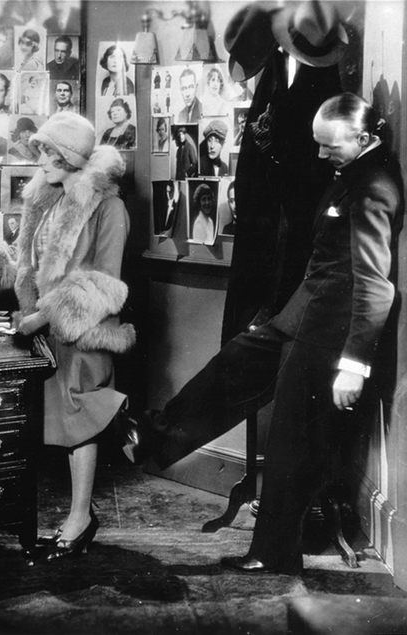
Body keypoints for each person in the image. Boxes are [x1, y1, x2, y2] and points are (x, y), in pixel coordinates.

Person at [129, 94, 403, 576]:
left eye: (330, 146)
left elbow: (376, 286)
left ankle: (274, 552)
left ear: (363, 139)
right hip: (303, 315)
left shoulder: (374, 186)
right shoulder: (352, 171)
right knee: (235, 362)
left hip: (329, 335)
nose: (321, 154)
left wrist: (353, 365)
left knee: (290, 440)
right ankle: (151, 435)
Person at [0, 112, 134, 562]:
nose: (39, 161)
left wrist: (42, 317)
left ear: (69, 157)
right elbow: (26, 265)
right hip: (45, 332)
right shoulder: (48, 199)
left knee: (80, 417)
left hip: (82, 332)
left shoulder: (109, 208)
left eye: (46, 153)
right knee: (59, 421)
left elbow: (105, 284)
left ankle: (80, 518)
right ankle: (77, 515)